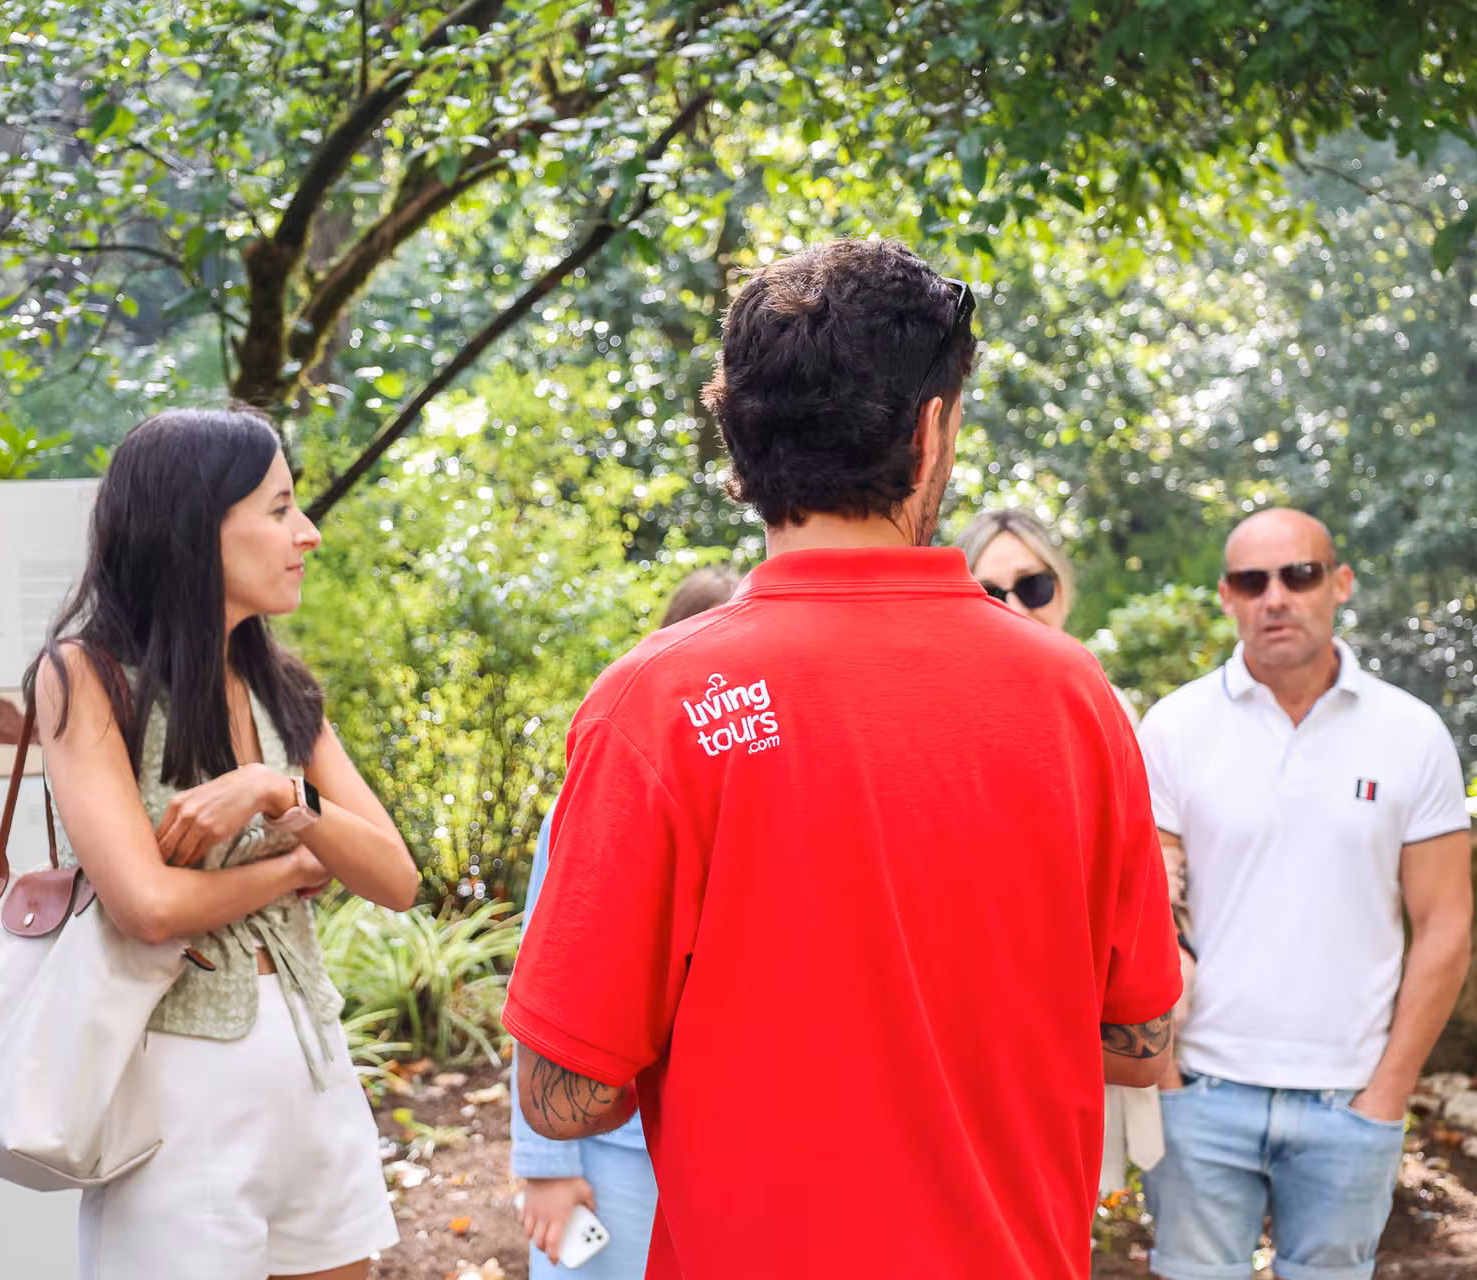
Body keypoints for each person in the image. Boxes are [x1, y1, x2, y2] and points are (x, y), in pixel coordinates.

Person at [502, 239, 1182, 1279]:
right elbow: (1136, 1034)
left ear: (735, 444)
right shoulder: (1074, 697)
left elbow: (569, 1084)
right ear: (933, 427)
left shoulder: (658, 704)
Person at [29, 406, 418, 1280]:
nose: (306, 534)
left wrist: (276, 789)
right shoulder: (86, 674)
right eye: (279, 510)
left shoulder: (282, 687)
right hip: (179, 1087)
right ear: (194, 527)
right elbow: (149, 905)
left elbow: (394, 875)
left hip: (314, 1065)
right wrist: (298, 864)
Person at [1138, 509, 1472, 1280]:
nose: (1276, 597)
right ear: (1227, 596)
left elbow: (1447, 924)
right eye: (1253, 581)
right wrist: (1167, 1080)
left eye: (1300, 575)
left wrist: (1389, 1092)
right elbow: (1145, 907)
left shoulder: (1412, 735)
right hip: (1202, 1093)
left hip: (1349, 1098)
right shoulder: (1174, 728)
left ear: (1340, 584)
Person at [511, 565, 740, 1278]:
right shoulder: (607, 791)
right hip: (615, 1148)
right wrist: (546, 1164)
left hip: (729, 1151)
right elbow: (546, 981)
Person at [957, 507, 1188, 1197]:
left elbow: (1136, 870)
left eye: (1032, 587)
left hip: (1081, 1016)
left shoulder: (1101, 702)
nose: (1015, 608)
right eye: (990, 591)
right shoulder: (942, 708)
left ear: (1062, 588)